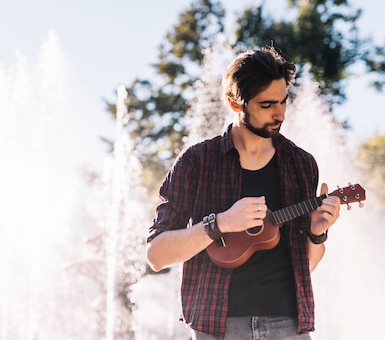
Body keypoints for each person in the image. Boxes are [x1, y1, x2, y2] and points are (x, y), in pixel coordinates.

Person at [146, 47, 342, 339]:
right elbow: (157, 255)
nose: (280, 113)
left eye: (283, 101)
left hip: (289, 327)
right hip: (217, 328)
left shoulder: (301, 164)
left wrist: (317, 233)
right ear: (235, 104)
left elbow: (306, 266)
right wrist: (220, 224)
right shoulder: (197, 162)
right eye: (266, 105)